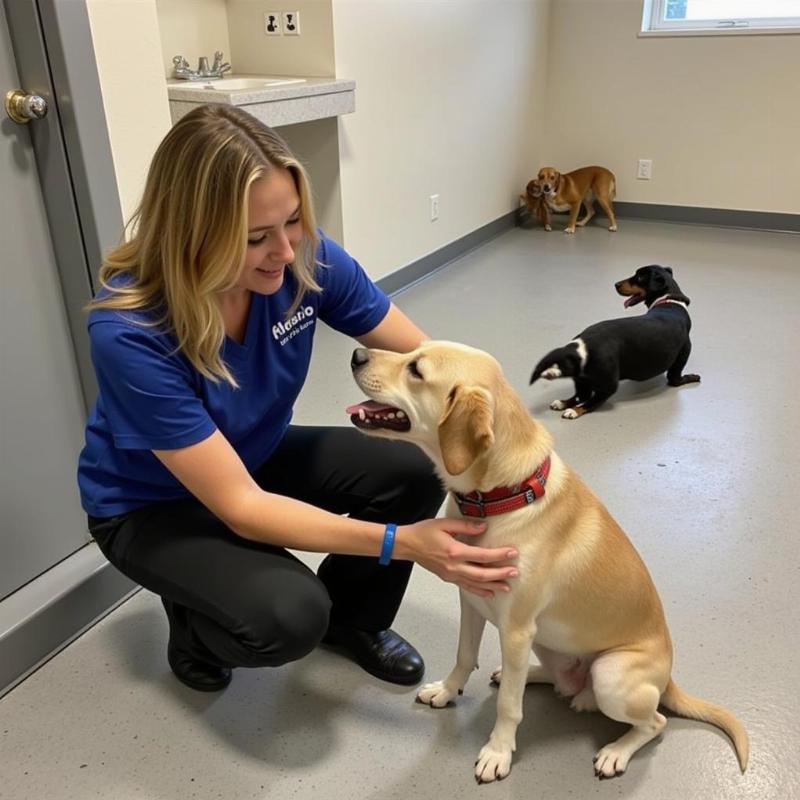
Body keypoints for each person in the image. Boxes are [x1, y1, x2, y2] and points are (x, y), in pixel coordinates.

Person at [77, 104, 520, 693]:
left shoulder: (303, 259)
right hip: (150, 504)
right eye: (256, 237)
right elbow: (240, 505)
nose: (285, 253)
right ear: (190, 233)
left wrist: (514, 444)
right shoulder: (131, 330)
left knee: (414, 465)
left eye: (293, 222)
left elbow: (427, 362)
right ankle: (192, 626)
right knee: (288, 618)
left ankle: (354, 622)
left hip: (251, 455)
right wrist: (405, 544)